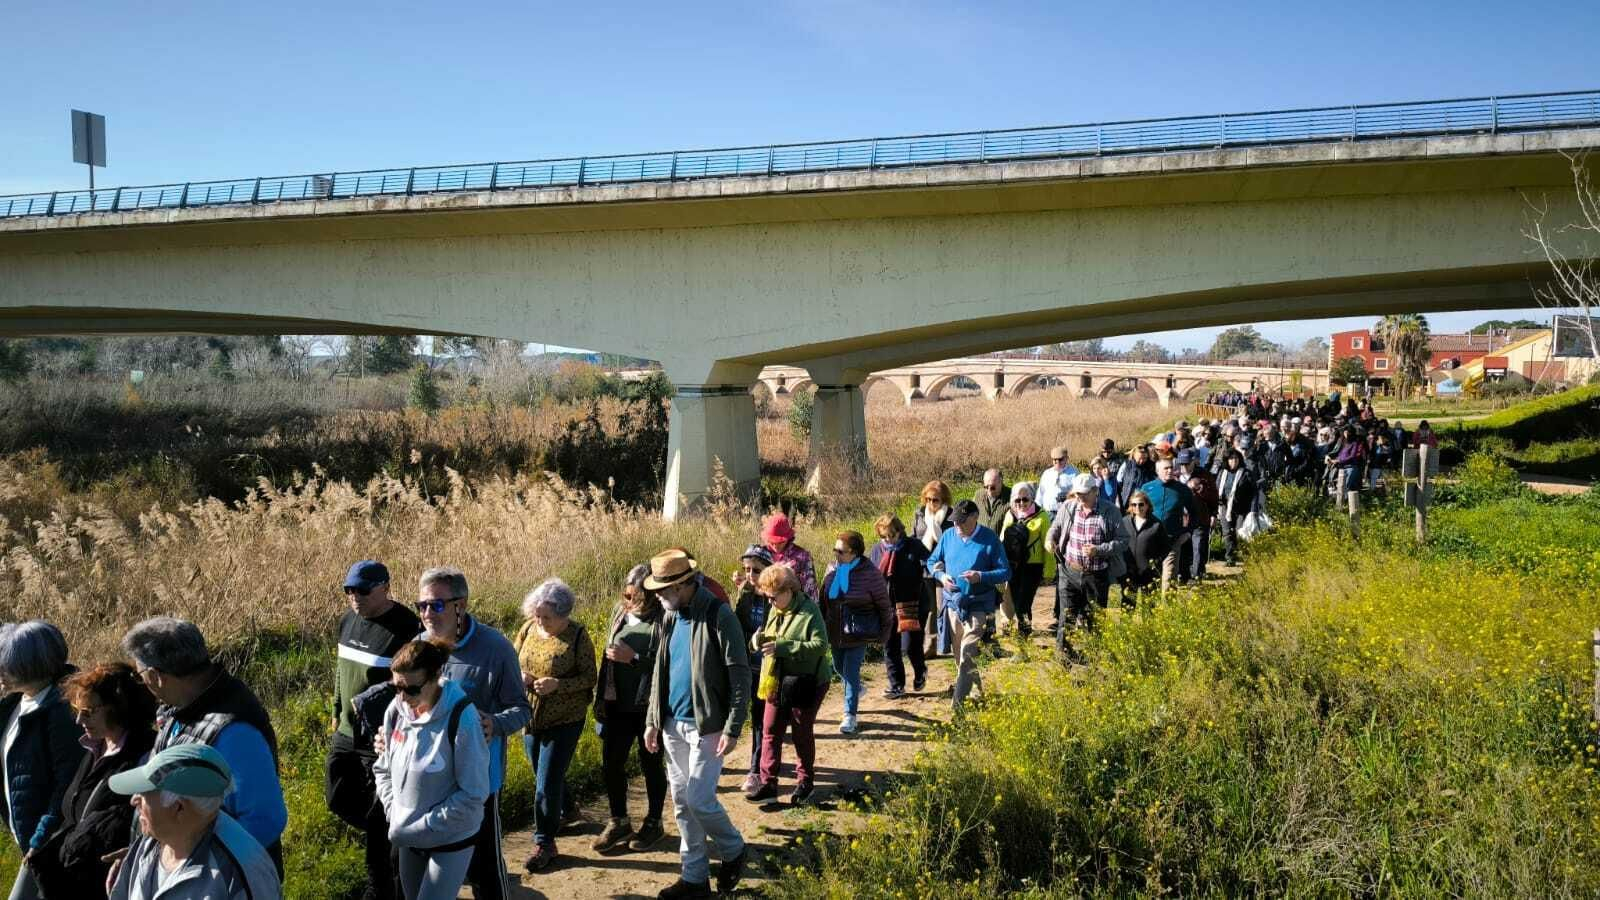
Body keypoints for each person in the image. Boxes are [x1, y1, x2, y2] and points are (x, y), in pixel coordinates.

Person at [121, 617, 287, 874]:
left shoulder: (234, 732)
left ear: (156, 676)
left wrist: (191, 865)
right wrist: (146, 854)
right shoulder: (180, 708)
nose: (143, 684)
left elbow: (265, 821)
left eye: (140, 675)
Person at [412, 566, 531, 900]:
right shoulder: (418, 645)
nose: (426, 613)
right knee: (429, 861)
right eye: (420, 606)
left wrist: (494, 722)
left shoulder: (494, 647)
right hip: (431, 778)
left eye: (435, 605)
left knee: (484, 868)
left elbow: (521, 709)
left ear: (459, 605)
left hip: (478, 782)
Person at [642, 550, 750, 900]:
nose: (657, 595)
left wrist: (734, 726)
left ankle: (734, 850)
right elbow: (661, 669)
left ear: (684, 584)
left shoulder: (720, 615)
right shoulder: (670, 616)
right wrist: (653, 720)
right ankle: (694, 878)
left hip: (708, 726)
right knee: (681, 803)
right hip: (672, 723)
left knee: (700, 801)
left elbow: (739, 673)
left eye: (664, 589)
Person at [327, 560, 420, 900]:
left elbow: (414, 684)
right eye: (348, 590)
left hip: (382, 738)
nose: (354, 597)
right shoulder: (347, 621)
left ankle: (380, 886)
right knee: (337, 797)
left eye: (362, 590)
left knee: (379, 813)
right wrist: (337, 709)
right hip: (346, 732)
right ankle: (404, 842)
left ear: (385, 587)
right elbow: (341, 670)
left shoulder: (407, 628)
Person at [27, 663, 156, 899]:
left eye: (87, 712)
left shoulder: (145, 757)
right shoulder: (95, 746)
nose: (78, 721)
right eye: (76, 710)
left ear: (118, 708)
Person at [373, 639, 490, 900]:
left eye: (411, 689)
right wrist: (395, 812)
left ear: (437, 676)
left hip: (452, 838)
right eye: (396, 687)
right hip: (408, 837)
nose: (402, 697)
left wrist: (422, 825)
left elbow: (474, 795)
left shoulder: (463, 718)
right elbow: (383, 769)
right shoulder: (396, 710)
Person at [107, 743, 280, 900]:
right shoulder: (148, 844)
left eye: (144, 793)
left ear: (179, 808)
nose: (134, 800)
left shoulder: (242, 874)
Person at [514, 578, 598, 872]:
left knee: (545, 783)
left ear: (564, 615)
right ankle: (568, 809)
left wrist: (558, 685)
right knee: (543, 773)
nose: (540, 620)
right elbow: (514, 660)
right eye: (537, 614)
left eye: (547, 617)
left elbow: (590, 678)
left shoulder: (577, 637)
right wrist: (522, 676)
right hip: (532, 716)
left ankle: (544, 843)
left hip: (565, 719)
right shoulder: (528, 629)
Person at [0, 622, 84, 900]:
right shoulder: (14, 703)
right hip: (29, 839)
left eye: (6, 666)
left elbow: (68, 781)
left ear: (29, 666)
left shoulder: (62, 711)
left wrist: (41, 838)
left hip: (50, 843)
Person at [593, 565, 668, 854]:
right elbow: (606, 657)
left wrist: (634, 658)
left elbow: (667, 667)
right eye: (626, 593)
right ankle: (618, 820)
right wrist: (601, 697)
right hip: (617, 703)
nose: (628, 599)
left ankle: (654, 822)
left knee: (650, 764)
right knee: (611, 763)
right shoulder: (620, 614)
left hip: (649, 706)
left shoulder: (664, 619)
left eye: (635, 595)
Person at [744, 564, 833, 806]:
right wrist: (756, 641)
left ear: (789, 590)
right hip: (776, 679)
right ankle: (768, 782)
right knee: (770, 729)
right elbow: (769, 637)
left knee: (801, 732)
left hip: (806, 682)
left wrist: (784, 648)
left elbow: (820, 646)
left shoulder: (809, 611)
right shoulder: (776, 609)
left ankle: (805, 782)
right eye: (767, 598)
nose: (770, 603)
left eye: (773, 598)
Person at [924, 500, 1011, 710]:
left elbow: (1005, 572)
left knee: (967, 652)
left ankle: (958, 708)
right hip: (954, 604)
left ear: (975, 517)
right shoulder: (948, 536)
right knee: (961, 658)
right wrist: (941, 575)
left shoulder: (989, 539)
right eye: (955, 521)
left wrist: (980, 576)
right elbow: (931, 561)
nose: (957, 526)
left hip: (979, 605)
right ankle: (976, 692)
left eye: (962, 521)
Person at [819, 530, 892, 734]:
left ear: (855, 553)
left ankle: (849, 716)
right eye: (835, 550)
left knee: (850, 672)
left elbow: (885, 606)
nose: (836, 555)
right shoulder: (832, 569)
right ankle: (857, 689)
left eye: (841, 551)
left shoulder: (870, 574)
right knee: (838, 667)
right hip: (835, 631)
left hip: (857, 631)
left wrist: (884, 634)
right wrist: (820, 627)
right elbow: (823, 600)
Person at [1044, 475, 1126, 646]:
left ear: (1095, 491)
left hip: (1096, 574)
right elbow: (1055, 527)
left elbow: (1123, 541)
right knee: (1066, 616)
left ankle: (1093, 658)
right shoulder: (1069, 506)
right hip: (1069, 571)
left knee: (1094, 618)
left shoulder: (1110, 511)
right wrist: (1049, 539)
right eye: (1077, 494)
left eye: (1084, 494)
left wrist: (1099, 550)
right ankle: (1063, 656)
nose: (1079, 498)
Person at [729, 547, 775, 796]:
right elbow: (737, 627)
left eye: (756, 570)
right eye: (747, 570)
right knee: (743, 716)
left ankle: (755, 772)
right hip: (747, 666)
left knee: (761, 722)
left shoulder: (777, 595)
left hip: (769, 669)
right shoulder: (744, 595)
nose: (750, 575)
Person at [869, 515, 931, 698]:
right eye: (884, 536)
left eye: (892, 535)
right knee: (890, 645)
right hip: (887, 604)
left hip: (914, 603)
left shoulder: (914, 546)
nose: (888, 540)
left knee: (912, 645)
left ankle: (920, 672)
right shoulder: (877, 550)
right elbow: (873, 575)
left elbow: (930, 564)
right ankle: (896, 684)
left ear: (900, 531)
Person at [1140, 459, 1200, 596]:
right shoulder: (1147, 488)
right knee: (1151, 579)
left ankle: (1169, 613)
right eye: (1165, 468)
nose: (1169, 471)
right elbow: (1136, 511)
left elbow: (1195, 514)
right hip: (1150, 541)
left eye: (1171, 468)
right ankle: (1151, 613)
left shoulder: (1182, 490)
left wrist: (1188, 533)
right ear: (1157, 471)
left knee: (1169, 580)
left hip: (1172, 541)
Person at [999, 482, 1049, 637]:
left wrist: (1049, 572)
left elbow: (1048, 546)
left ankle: (1024, 636)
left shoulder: (1042, 516)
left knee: (1024, 603)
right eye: (1017, 500)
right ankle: (1023, 631)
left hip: (1033, 566)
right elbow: (1003, 540)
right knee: (1015, 600)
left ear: (1032, 498)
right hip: (1014, 566)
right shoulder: (1010, 515)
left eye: (1025, 499)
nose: (1021, 503)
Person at [911, 480, 954, 657]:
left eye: (935, 500)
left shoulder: (951, 516)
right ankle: (930, 645)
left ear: (943, 500)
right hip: (923, 566)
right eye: (928, 499)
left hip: (943, 566)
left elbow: (952, 541)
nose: (931, 503)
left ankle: (949, 642)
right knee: (928, 608)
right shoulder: (920, 514)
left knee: (943, 606)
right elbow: (915, 536)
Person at [972, 470, 1013, 639]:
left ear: (1001, 482)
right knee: (987, 590)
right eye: (986, 486)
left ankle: (1007, 624)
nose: (989, 490)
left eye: (993, 487)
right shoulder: (979, 495)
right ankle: (989, 626)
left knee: (1004, 590)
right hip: (982, 549)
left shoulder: (1011, 496)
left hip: (1002, 549)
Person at [1120, 491, 1170, 605]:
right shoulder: (1125, 522)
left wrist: (1154, 564)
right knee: (1127, 606)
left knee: (1149, 608)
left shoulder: (1156, 524)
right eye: (1134, 505)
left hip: (1150, 573)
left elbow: (1166, 548)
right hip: (1129, 573)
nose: (1137, 507)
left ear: (1147, 505)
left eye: (1141, 504)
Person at [760, 514, 817, 600]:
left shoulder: (802, 557)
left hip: (793, 609)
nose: (775, 546)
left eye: (780, 542)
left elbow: (810, 592)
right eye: (771, 542)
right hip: (764, 609)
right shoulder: (760, 553)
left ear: (788, 538)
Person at [1216, 451, 1257, 566]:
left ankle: (1245, 556)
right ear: (1227, 460)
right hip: (1224, 506)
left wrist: (1253, 509)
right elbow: (1217, 488)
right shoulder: (1222, 473)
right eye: (1231, 458)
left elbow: (1254, 492)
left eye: (1236, 458)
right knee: (1227, 532)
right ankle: (1230, 558)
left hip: (1241, 507)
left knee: (1240, 532)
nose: (1233, 461)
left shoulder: (1246, 473)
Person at [1183, 457, 1219, 583]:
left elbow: (1214, 496)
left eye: (1187, 463)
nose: (1184, 466)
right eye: (1182, 464)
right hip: (1182, 519)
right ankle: (1187, 574)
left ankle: (1196, 575)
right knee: (1186, 548)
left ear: (1193, 462)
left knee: (1198, 546)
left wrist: (1214, 514)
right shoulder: (1174, 475)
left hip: (1200, 517)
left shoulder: (1204, 475)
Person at [1038, 446, 1078, 516]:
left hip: (1066, 513)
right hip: (1047, 513)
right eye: (1054, 459)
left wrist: (1067, 496)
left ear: (1066, 458)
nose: (1057, 462)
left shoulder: (1074, 473)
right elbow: (1040, 493)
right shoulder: (1047, 473)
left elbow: (1079, 493)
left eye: (1060, 459)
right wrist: (1037, 509)